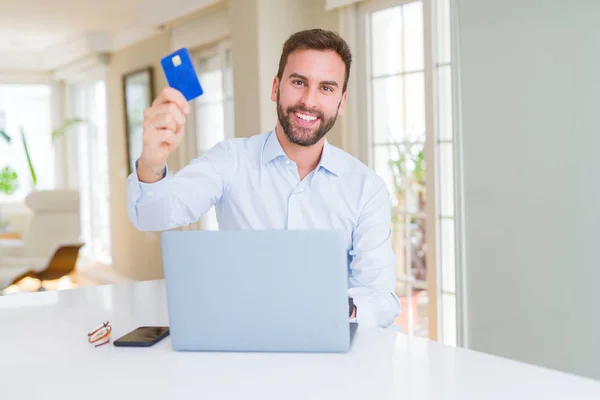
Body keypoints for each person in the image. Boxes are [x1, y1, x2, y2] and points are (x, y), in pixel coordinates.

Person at [127, 29, 401, 328]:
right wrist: (152, 161)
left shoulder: (366, 188)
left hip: (331, 358)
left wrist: (327, 305)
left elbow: (382, 301)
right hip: (244, 349)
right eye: (299, 82)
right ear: (276, 88)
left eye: (326, 88)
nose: (309, 101)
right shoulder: (229, 161)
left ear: (341, 101)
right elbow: (151, 216)